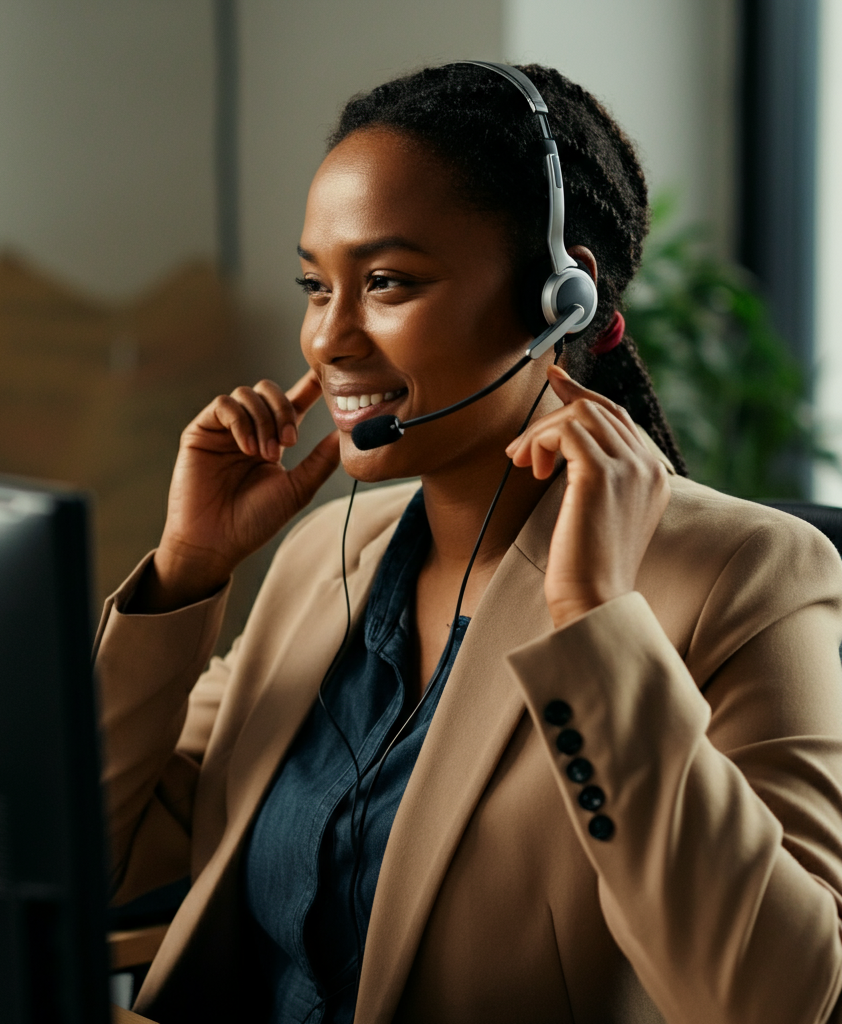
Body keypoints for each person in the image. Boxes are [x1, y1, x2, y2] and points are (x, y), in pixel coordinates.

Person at [95, 63, 842, 1024]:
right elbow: (97, 864)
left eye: (387, 283)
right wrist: (187, 575)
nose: (329, 339)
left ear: (557, 300)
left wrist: (596, 623)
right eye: (316, 286)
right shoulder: (332, 556)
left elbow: (775, 999)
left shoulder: (743, 578)